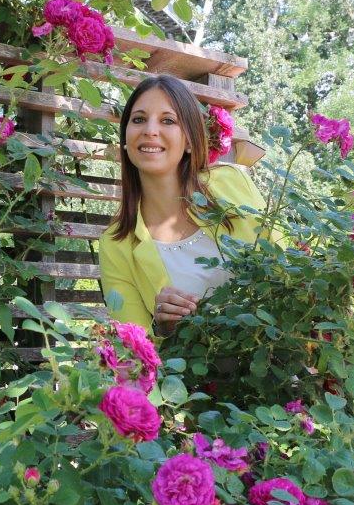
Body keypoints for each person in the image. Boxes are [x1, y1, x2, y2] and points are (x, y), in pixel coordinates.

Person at [99, 74, 271, 332]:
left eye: (168, 120)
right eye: (139, 119)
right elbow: (133, 352)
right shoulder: (115, 244)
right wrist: (162, 328)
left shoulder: (231, 183)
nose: (150, 130)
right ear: (125, 138)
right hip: (187, 370)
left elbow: (283, 269)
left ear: (189, 140)